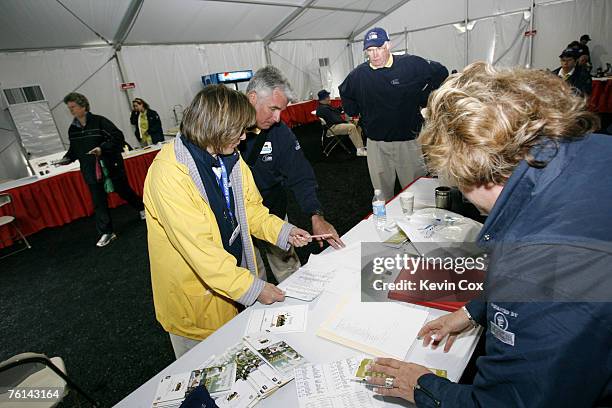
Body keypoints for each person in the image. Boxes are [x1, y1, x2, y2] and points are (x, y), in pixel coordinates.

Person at [364, 62, 612, 407]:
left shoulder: (534, 270)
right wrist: (472, 312)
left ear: (473, 174)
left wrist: (421, 386)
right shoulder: (594, 148)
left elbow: (510, 403)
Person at [143, 85, 311, 359]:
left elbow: (251, 210)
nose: (244, 137)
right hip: (196, 306)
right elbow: (202, 253)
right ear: (216, 128)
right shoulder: (169, 175)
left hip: (230, 286)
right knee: (205, 381)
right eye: (239, 130)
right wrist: (254, 288)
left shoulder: (228, 157)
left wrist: (284, 230)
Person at [240, 66, 345, 283]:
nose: (278, 118)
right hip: (236, 219)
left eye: (282, 110)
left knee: (289, 271)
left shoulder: (280, 132)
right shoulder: (225, 130)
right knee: (248, 280)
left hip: (272, 210)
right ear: (252, 98)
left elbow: (300, 174)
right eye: (273, 109)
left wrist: (316, 215)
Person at [339, 27, 448, 200]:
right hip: (376, 145)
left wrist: (425, 98)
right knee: (381, 194)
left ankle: (418, 224)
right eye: (370, 50)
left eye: (379, 48)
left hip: (408, 142)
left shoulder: (411, 64)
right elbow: (345, 92)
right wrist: (354, 111)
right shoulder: (358, 75)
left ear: (388, 45)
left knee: (416, 191)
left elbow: (441, 72)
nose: (375, 55)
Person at [59, 92, 145, 248]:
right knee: (98, 201)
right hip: (90, 170)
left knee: (123, 190)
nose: (71, 111)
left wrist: (101, 149)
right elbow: (74, 149)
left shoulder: (100, 122)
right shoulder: (73, 129)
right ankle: (107, 232)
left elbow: (117, 137)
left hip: (110, 165)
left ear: (83, 106)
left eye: (73, 107)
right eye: (69, 108)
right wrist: (66, 158)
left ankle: (142, 207)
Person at [315, 89, 367, 156]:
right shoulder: (323, 109)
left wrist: (341, 108)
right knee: (351, 126)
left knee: (358, 123)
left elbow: (335, 112)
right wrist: (347, 122)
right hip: (331, 128)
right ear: (324, 99)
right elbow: (335, 120)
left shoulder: (324, 107)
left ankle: (360, 145)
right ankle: (360, 150)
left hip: (334, 125)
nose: (329, 98)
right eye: (328, 97)